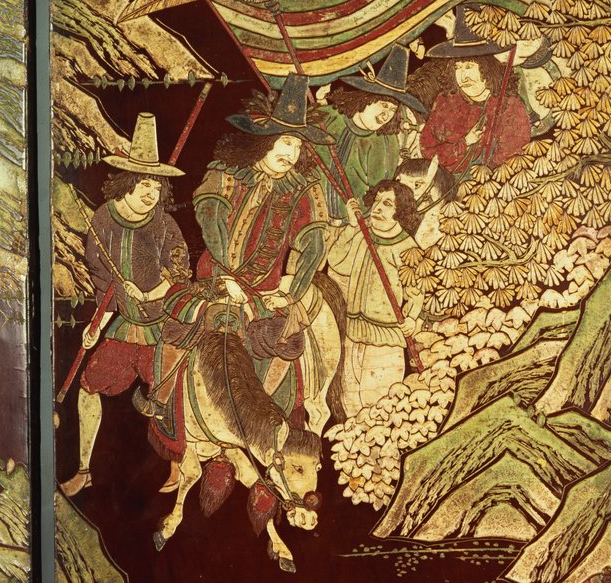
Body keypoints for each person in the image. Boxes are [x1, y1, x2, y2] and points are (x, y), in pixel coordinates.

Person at [168, 75, 330, 444]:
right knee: (185, 332)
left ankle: (287, 424)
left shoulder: (305, 187)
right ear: (262, 139)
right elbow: (211, 219)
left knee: (290, 343)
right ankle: (168, 408)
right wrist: (227, 277)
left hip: (269, 293)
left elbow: (314, 243)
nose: (291, 153)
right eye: (285, 141)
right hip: (216, 283)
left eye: (298, 145)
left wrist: (291, 290)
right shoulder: (225, 173)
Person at [60, 113, 190, 497]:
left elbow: (179, 274)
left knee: (172, 393)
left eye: (157, 186)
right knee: (89, 385)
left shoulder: (164, 224)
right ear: (127, 182)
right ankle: (84, 469)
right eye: (145, 184)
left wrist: (148, 294)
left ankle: (178, 467)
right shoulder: (103, 220)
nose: (151, 193)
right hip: (124, 325)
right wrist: (97, 326)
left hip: (162, 328)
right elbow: (103, 281)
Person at [325, 179, 423, 415]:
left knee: (379, 404)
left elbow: (416, 289)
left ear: (401, 211)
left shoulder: (406, 246)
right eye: (377, 201)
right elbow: (337, 262)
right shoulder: (363, 231)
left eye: (387, 204)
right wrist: (351, 227)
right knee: (350, 402)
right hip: (353, 332)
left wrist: (412, 317)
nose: (377, 208)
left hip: (385, 337)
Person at [317, 45, 425, 219]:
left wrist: (357, 213)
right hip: (313, 214)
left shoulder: (387, 144)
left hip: (352, 224)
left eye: (392, 109)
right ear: (367, 99)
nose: (386, 115)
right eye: (383, 105)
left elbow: (378, 193)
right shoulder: (329, 117)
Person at [418, 9, 531, 174]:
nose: (463, 76)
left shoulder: (510, 106)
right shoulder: (445, 101)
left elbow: (513, 159)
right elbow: (427, 150)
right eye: (458, 68)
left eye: (469, 66)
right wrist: (464, 143)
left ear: (487, 68)